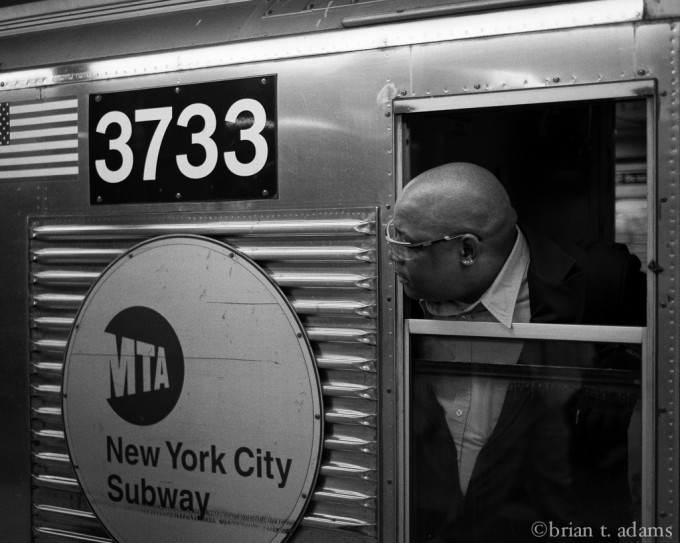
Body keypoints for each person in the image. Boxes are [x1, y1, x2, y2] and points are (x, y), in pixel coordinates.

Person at [386, 163, 645, 542]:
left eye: (406, 246)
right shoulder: (395, 294)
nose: (392, 257)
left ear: (468, 250)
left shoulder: (604, 282)